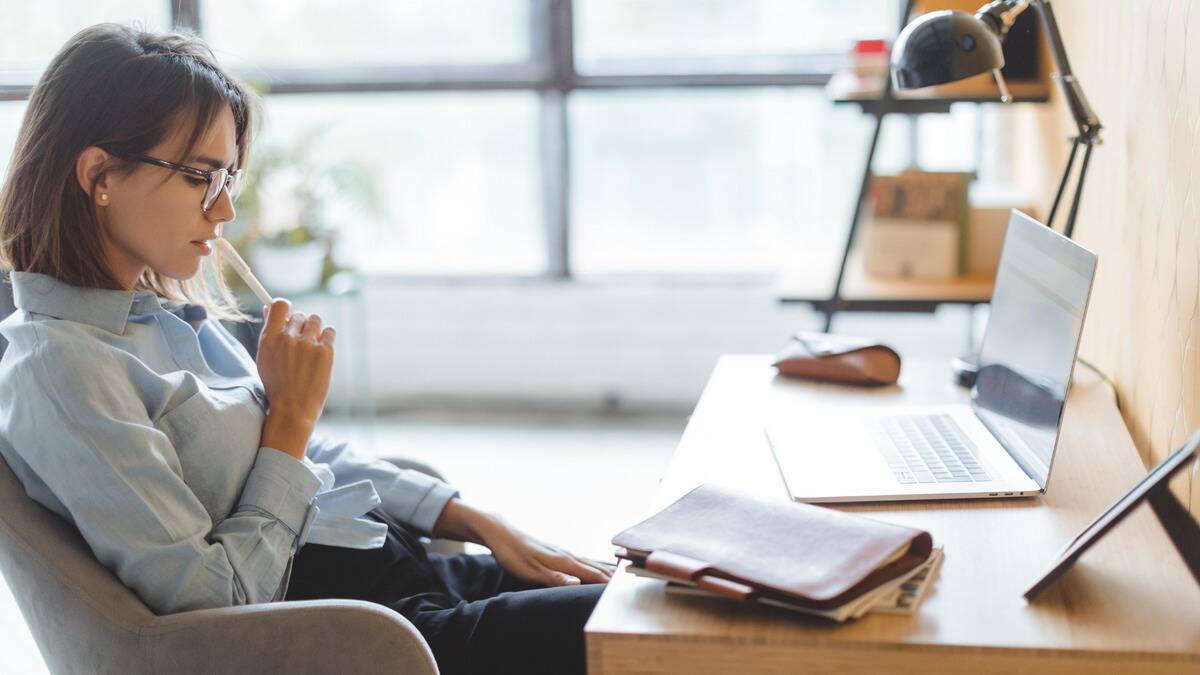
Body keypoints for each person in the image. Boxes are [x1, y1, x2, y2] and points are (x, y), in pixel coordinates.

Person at [0, 23, 608, 675]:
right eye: (199, 178)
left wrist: (479, 521)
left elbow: (309, 462)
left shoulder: (166, 318)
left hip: (404, 576)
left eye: (228, 176)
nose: (226, 208)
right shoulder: (62, 369)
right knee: (655, 632)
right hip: (361, 631)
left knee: (665, 596)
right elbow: (217, 598)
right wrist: (290, 416)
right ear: (98, 173)